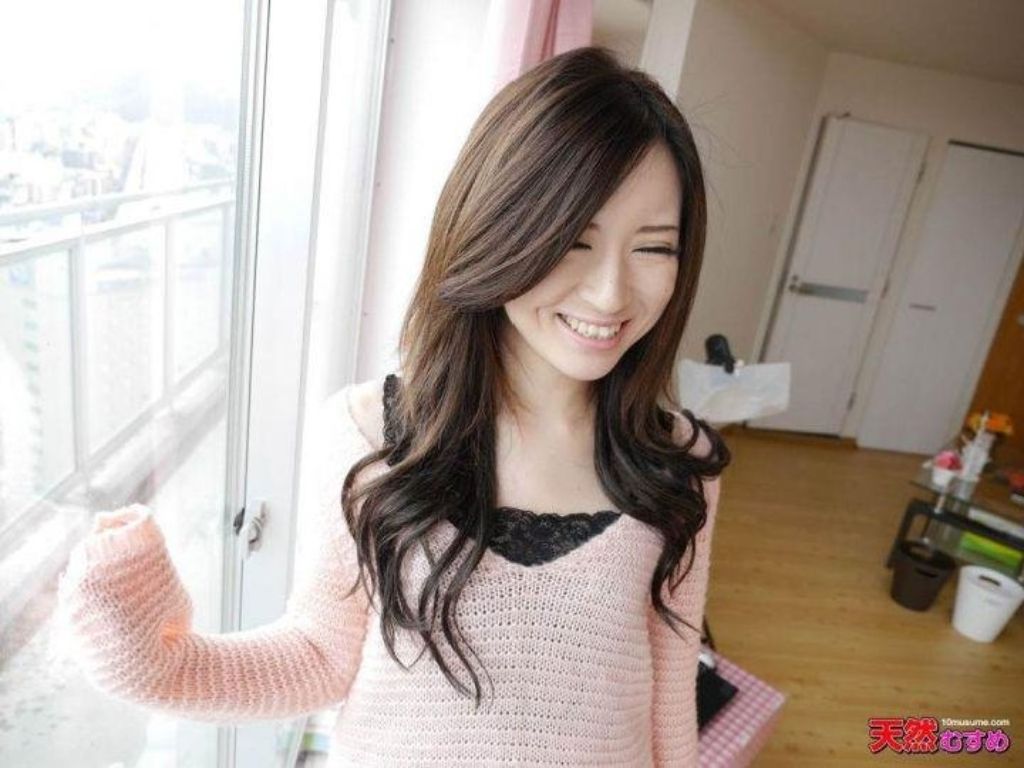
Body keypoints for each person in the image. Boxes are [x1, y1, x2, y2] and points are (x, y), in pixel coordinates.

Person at [54, 45, 731, 766]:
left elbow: (668, 698)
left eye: (654, 249)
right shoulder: (367, 435)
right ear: (499, 229)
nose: (610, 293)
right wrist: (151, 660)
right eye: (574, 241)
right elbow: (317, 655)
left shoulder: (679, 464)